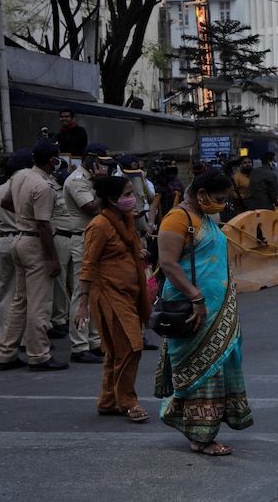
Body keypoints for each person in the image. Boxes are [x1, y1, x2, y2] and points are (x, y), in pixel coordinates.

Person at [155, 170, 253, 455]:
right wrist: (196, 298)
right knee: (201, 373)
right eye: (219, 199)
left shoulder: (205, 218)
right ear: (201, 195)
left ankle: (202, 427)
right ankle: (200, 436)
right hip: (192, 309)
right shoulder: (177, 219)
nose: (222, 204)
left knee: (216, 369)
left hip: (216, 310)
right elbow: (169, 264)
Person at [75, 176, 153, 421]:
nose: (132, 198)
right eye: (128, 193)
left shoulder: (125, 219)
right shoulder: (99, 225)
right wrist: (82, 304)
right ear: (111, 199)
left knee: (116, 351)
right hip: (109, 295)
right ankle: (128, 401)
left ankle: (108, 400)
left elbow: (123, 248)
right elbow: (88, 265)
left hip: (129, 293)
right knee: (132, 347)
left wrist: (136, 251)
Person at [0, 140, 68, 371]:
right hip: (35, 243)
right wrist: (54, 259)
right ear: (52, 160)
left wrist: (24, 215)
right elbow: (44, 226)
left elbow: (6, 202)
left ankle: (6, 353)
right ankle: (39, 355)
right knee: (39, 303)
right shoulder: (44, 187)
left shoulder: (20, 176)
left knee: (20, 300)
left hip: (18, 238)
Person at [60, 143, 117, 364]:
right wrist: (105, 185)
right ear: (92, 161)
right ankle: (79, 345)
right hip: (82, 239)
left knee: (96, 292)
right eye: (102, 164)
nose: (105, 168)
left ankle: (94, 340)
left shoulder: (91, 180)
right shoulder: (77, 181)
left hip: (96, 239)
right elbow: (91, 207)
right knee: (81, 291)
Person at [0, 150, 33, 334]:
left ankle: (6, 334)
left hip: (3, 241)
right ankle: (26, 338)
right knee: (29, 291)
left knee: (6, 292)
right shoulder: (27, 188)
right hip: (26, 239)